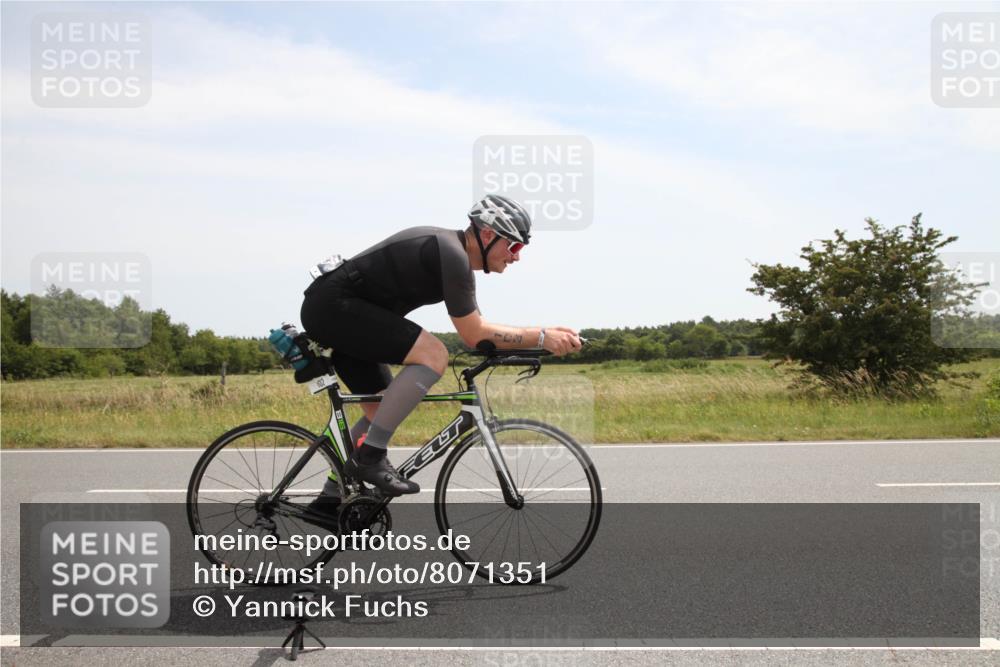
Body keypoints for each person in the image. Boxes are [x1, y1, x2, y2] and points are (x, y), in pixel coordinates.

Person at [300, 195, 582, 507]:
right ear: (488, 234)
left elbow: (483, 332)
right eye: (514, 246)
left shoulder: (455, 257)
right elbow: (475, 334)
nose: (516, 257)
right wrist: (541, 337)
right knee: (434, 354)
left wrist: (539, 338)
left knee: (382, 410)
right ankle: (370, 456)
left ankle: (329, 500)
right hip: (333, 307)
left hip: (344, 314)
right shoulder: (450, 252)